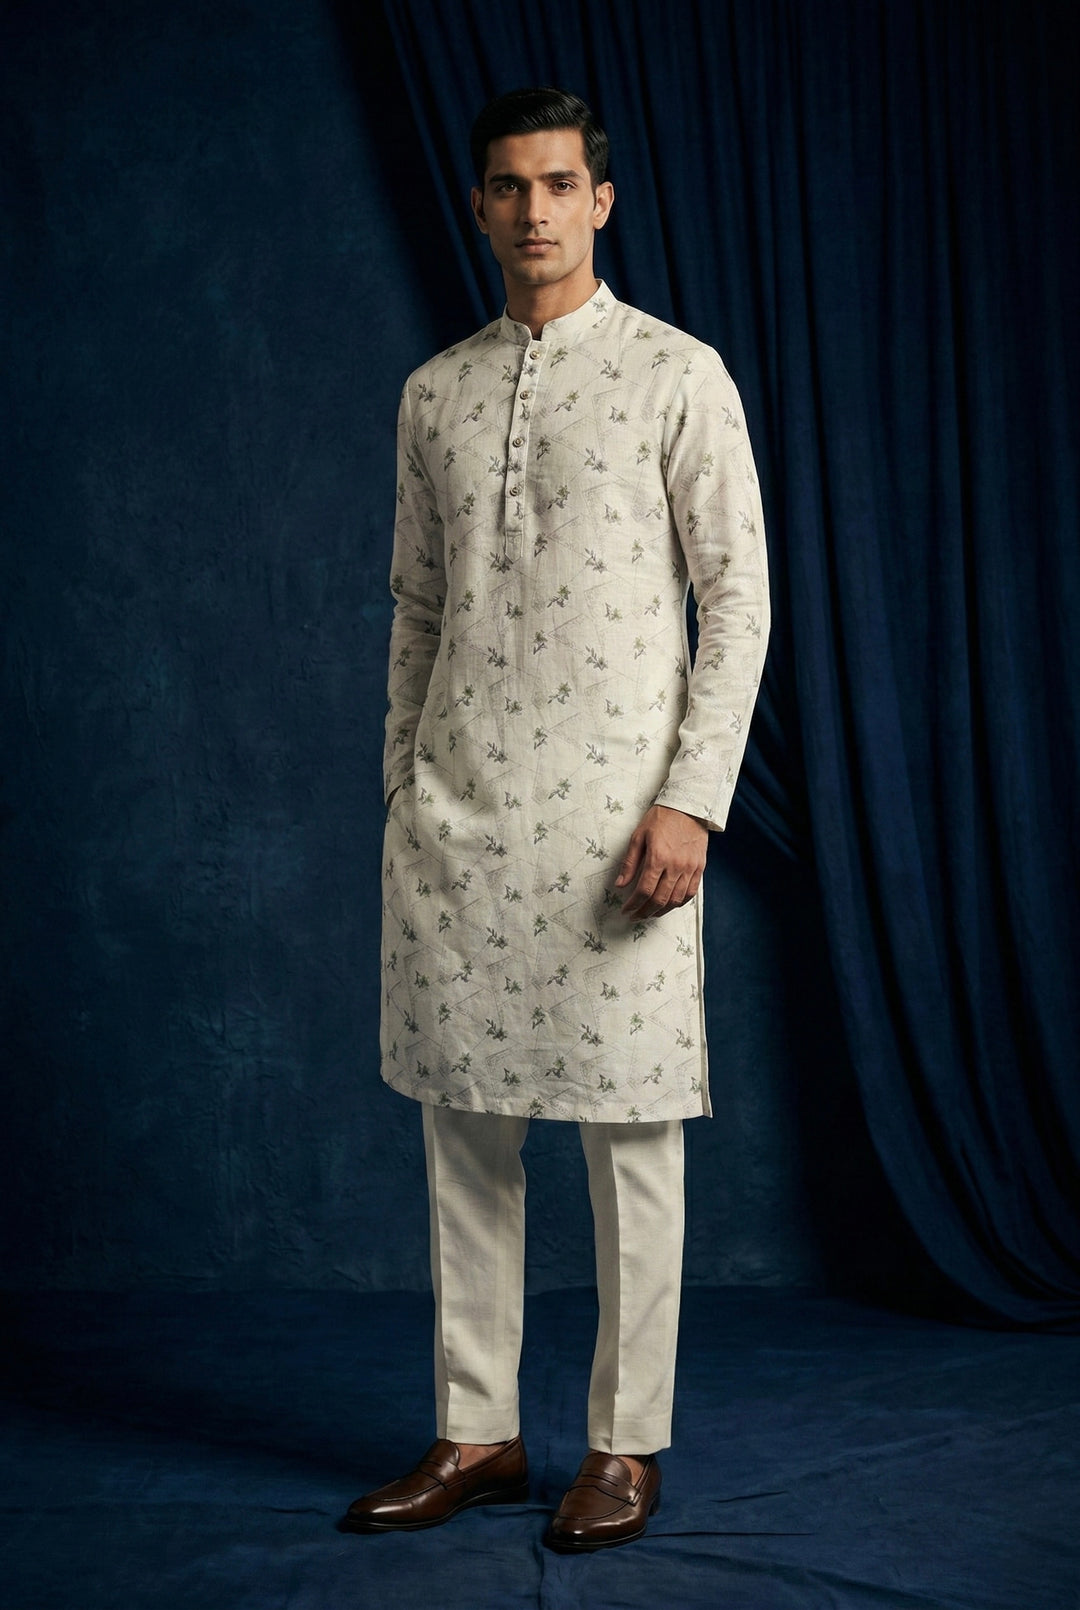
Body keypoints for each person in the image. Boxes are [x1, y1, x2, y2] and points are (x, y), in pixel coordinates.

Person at [339, 86, 769, 1552]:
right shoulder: (436, 395)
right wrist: (402, 782)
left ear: (601, 201)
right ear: (480, 207)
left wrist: (691, 801)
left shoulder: (678, 376)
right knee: (465, 1133)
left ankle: (625, 1446)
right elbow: (415, 606)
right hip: (457, 825)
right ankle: (478, 1431)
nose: (535, 211)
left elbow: (739, 601)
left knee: (631, 1140)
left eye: (559, 184)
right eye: (510, 187)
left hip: (622, 834)